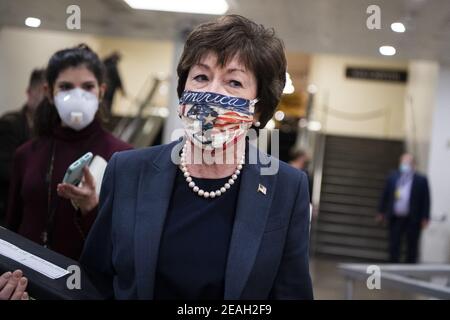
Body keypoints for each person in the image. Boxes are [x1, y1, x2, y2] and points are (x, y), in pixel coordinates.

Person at [3, 15, 313, 300]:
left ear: (257, 110)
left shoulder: (285, 187)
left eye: (234, 82)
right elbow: (97, 281)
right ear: (182, 90)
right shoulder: (128, 170)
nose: (210, 94)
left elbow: (292, 294)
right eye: (201, 77)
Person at [4, 44, 132, 263]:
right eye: (65, 87)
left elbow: (126, 241)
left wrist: (91, 208)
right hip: (26, 281)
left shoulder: (123, 156)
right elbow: (11, 225)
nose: (77, 96)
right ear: (49, 93)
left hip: (86, 283)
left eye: (87, 87)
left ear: (101, 92)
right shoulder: (27, 154)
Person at [0, 69, 46, 224]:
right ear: (29, 92)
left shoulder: (46, 129)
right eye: (42, 91)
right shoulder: (10, 124)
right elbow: (6, 171)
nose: (45, 99)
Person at [377, 153, 430, 263]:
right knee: (394, 244)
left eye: (408, 163)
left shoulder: (421, 180)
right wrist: (381, 211)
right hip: (395, 217)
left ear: (414, 164)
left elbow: (426, 200)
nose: (405, 165)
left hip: (413, 219)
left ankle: (409, 271)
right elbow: (385, 195)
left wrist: (425, 217)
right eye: (403, 162)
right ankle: (393, 267)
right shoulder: (393, 177)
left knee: (412, 246)